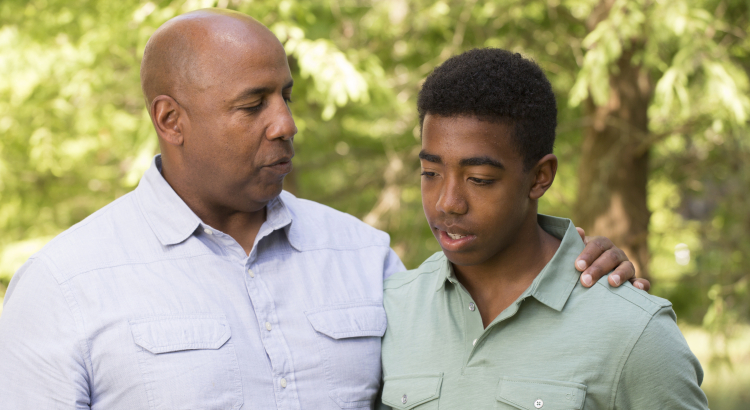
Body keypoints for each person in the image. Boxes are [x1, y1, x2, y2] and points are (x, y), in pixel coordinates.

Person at [0, 9, 645, 410]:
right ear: (171, 120)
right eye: (254, 105)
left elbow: (487, 331)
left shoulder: (365, 259)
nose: (286, 123)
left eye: (286, 94)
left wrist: (583, 271)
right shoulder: (63, 287)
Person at [379, 48, 708, 409]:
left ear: (540, 177)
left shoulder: (634, 331)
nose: (448, 202)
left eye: (479, 179)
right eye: (431, 174)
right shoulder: (391, 308)